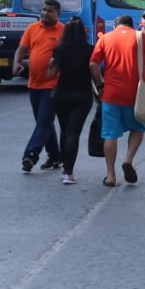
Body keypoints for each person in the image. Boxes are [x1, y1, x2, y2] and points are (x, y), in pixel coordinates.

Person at [90, 14, 145, 186]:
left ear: (116, 25)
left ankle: (111, 176)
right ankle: (128, 160)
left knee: (110, 134)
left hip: (111, 93)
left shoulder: (106, 38)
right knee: (138, 128)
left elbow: (93, 64)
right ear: (131, 25)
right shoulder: (141, 37)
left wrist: (100, 84)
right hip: (136, 93)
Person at [11, 0, 65, 173]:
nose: (44, 13)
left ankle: (30, 155)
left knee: (43, 122)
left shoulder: (63, 31)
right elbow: (21, 48)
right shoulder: (32, 28)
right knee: (44, 123)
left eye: (49, 11)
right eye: (43, 10)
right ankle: (56, 156)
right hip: (34, 84)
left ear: (58, 14)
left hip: (53, 85)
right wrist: (16, 63)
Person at [47, 17, 94, 186]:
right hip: (82, 95)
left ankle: (64, 167)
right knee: (74, 133)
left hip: (61, 94)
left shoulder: (60, 50)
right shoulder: (90, 50)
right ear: (84, 33)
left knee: (64, 131)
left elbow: (50, 74)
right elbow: (94, 72)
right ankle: (69, 172)